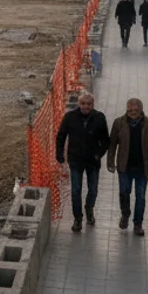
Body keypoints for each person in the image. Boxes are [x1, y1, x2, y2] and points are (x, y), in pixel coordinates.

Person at [107, 98, 148, 236]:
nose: (132, 112)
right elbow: (112, 144)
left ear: (141, 110)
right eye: (130, 109)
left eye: (135, 110)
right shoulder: (119, 123)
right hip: (124, 167)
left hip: (143, 168)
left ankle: (138, 223)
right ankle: (125, 215)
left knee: (140, 196)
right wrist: (110, 162)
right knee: (124, 192)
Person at [55, 94, 110, 232]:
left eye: (89, 104)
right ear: (79, 104)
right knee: (76, 190)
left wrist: (99, 154)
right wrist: (60, 155)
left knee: (93, 189)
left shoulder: (99, 117)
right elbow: (61, 136)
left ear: (93, 104)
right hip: (76, 160)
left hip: (93, 160)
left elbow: (105, 140)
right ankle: (78, 218)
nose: (86, 106)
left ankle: (89, 208)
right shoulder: (70, 117)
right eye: (83, 103)